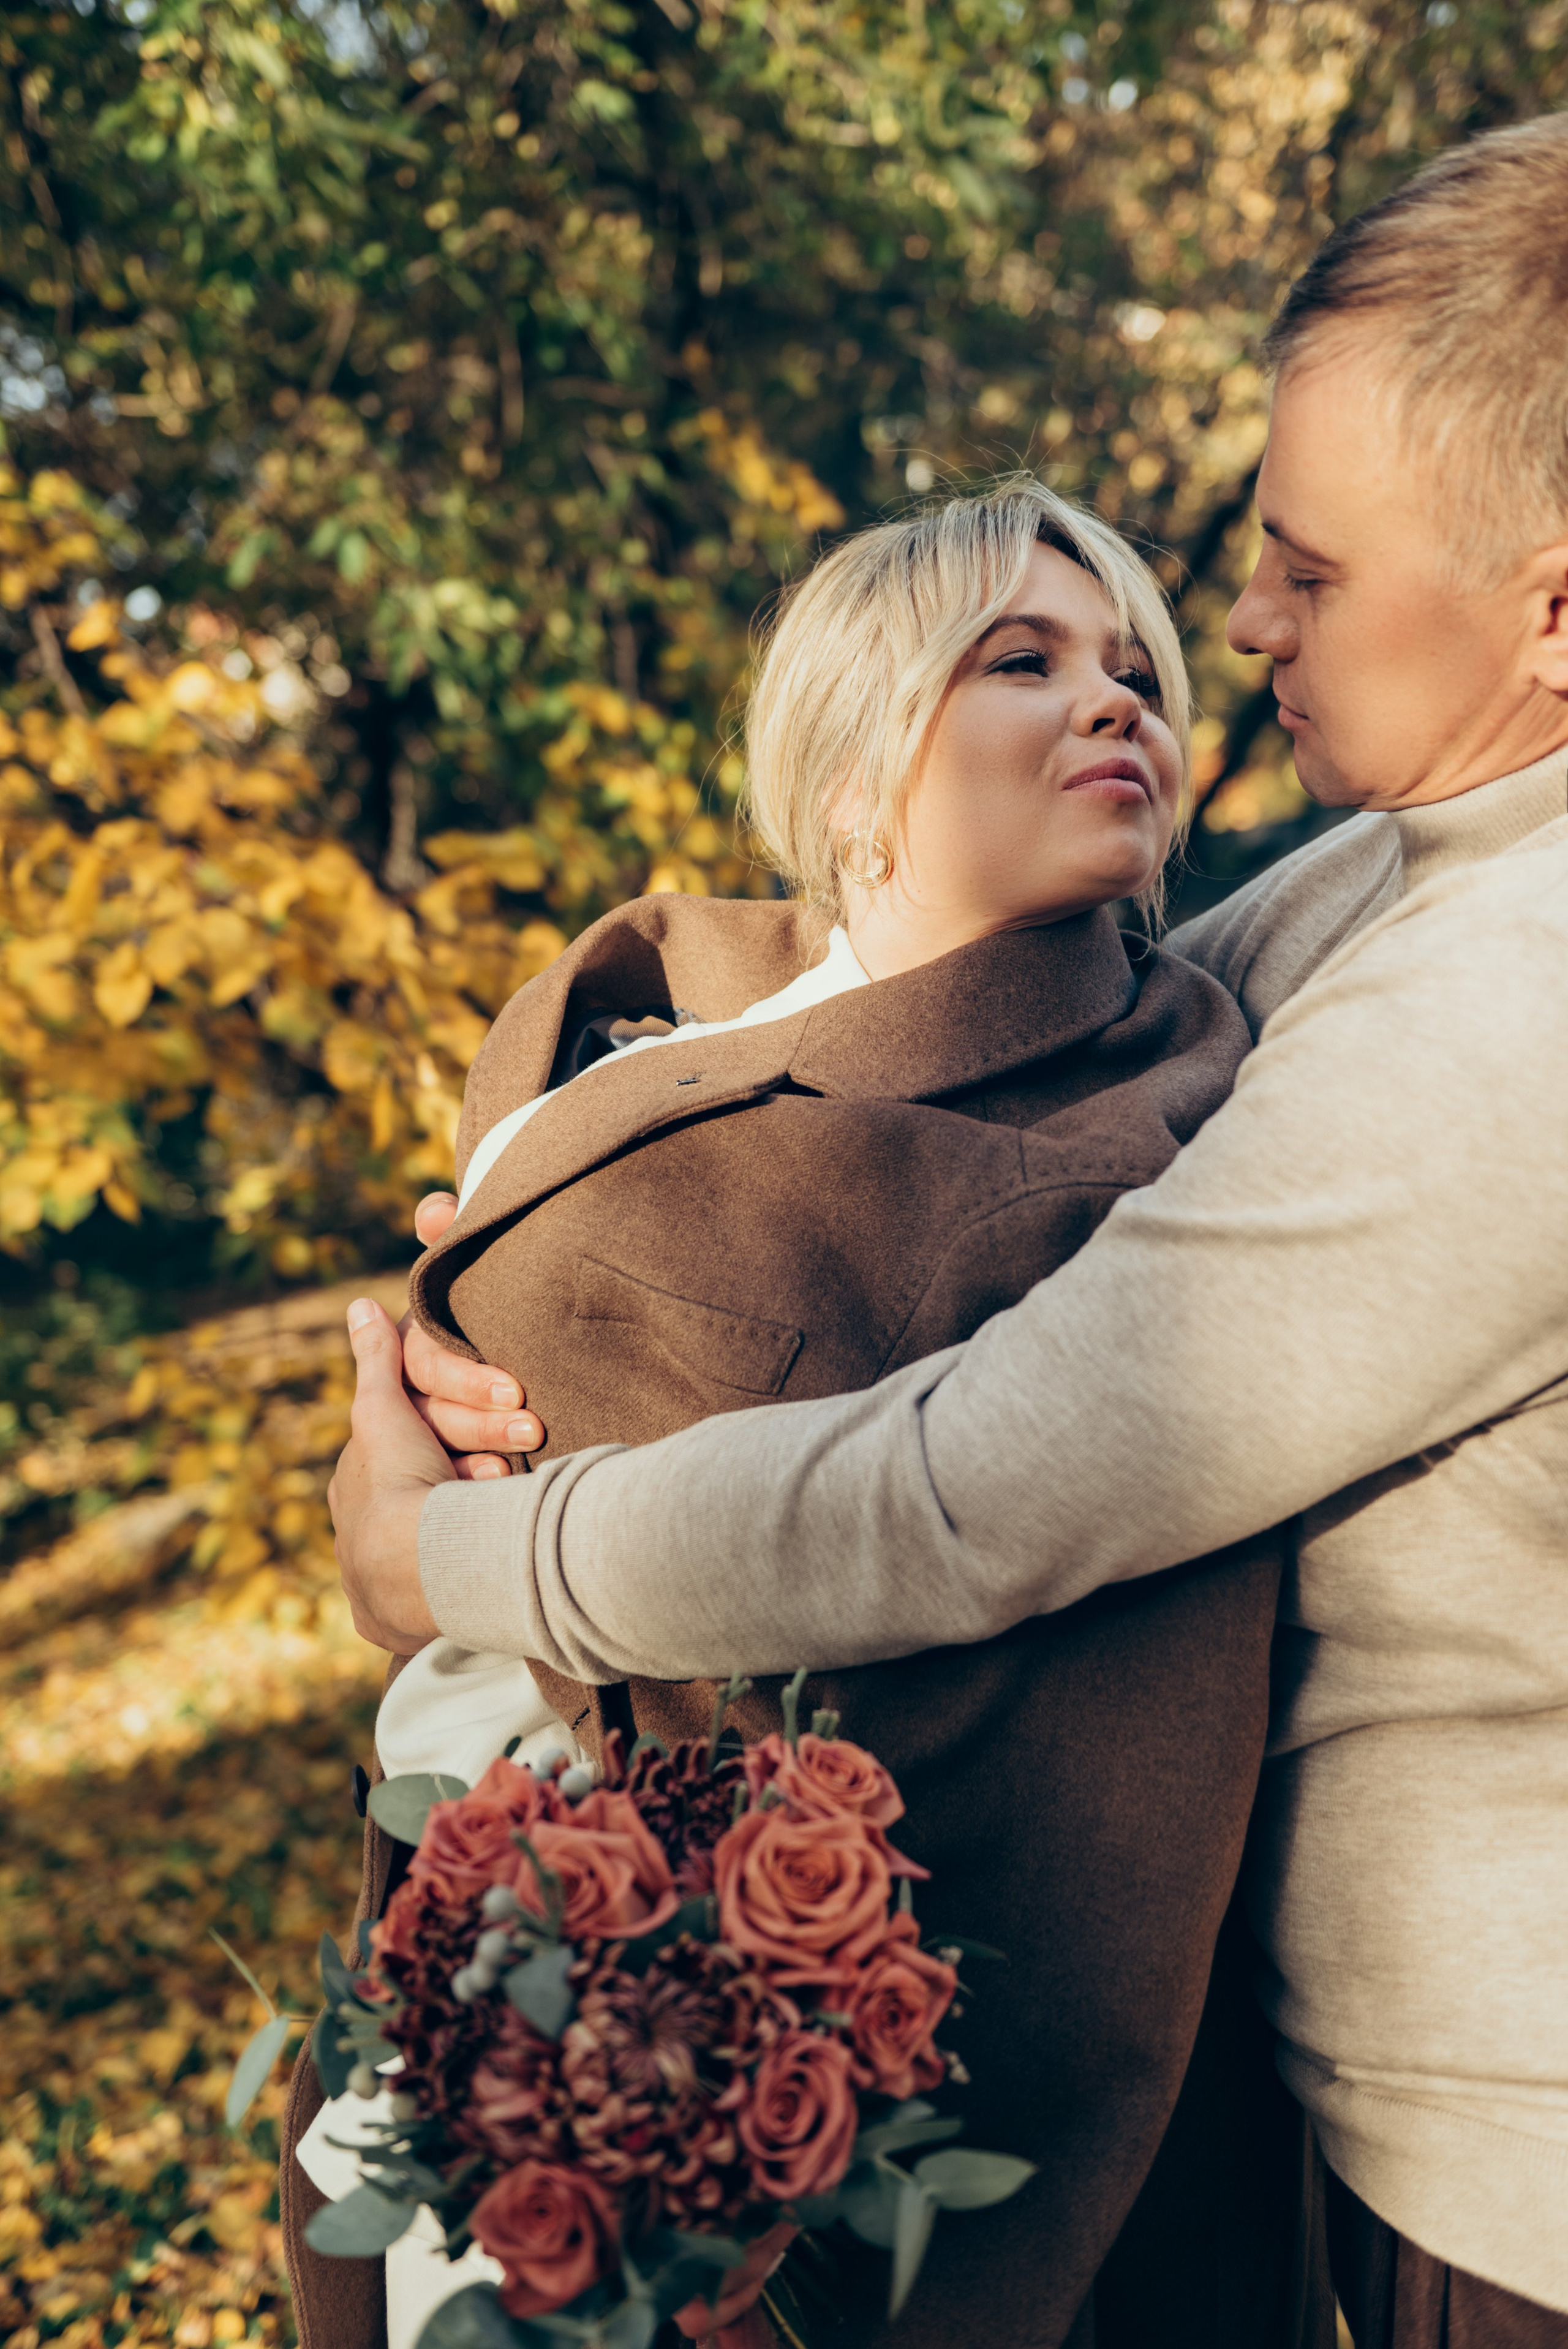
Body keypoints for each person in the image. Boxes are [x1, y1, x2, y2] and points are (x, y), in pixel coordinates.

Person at [333, 116, 1568, 2349]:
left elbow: (978, 1486)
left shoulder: (1520, 998)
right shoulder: (1410, 866)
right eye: (1029, 653)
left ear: (1553, 605)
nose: (1232, 637)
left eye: (1300, 573)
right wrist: (551, 1169)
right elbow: (933, 993)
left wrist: (441, 1552)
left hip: (1491, 2184)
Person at [294, 479, 1313, 2349]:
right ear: (854, 775)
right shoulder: (645, 1047)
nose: (1123, 705)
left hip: (752, 2074)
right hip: (476, 1963)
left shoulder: (1147, 1138)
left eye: (1134, 670)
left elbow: (1030, 1703)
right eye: (1024, 660)